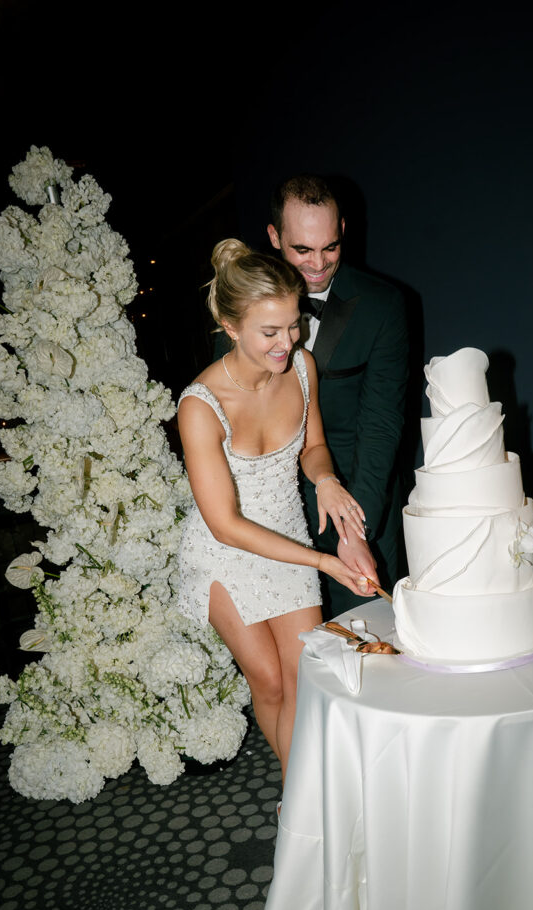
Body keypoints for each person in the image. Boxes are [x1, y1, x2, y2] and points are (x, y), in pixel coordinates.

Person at [177, 239, 373, 783]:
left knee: (305, 679)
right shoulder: (200, 405)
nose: (287, 342)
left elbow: (312, 448)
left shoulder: (302, 366)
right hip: (223, 551)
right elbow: (226, 523)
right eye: (271, 332)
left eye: (293, 325)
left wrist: (327, 481)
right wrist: (325, 563)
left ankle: (301, 800)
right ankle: (300, 798)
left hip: (286, 532)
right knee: (268, 682)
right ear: (229, 324)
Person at [266, 175, 410, 616]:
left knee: (373, 648)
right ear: (274, 237)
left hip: (357, 498)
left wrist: (353, 531)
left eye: (329, 247)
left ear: (343, 229)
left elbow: (381, 425)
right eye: (302, 249)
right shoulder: (241, 305)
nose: (318, 264)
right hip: (270, 512)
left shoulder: (383, 306)